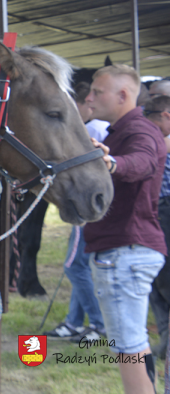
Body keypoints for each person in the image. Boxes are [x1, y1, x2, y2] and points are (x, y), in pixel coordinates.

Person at [85, 64, 167, 394]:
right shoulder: (126, 131)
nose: (89, 97)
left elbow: (143, 162)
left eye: (97, 92)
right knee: (134, 345)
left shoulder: (140, 132)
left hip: (124, 254)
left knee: (128, 350)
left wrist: (113, 163)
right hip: (128, 251)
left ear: (122, 96)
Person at [44, 82, 107, 342]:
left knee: (73, 267)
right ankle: (73, 321)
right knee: (80, 266)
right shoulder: (104, 127)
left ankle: (98, 323)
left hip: (85, 204)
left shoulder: (91, 128)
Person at [144, 95, 170, 359]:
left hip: (166, 207)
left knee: (164, 276)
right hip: (156, 208)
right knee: (156, 276)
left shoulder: (160, 139)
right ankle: (165, 336)